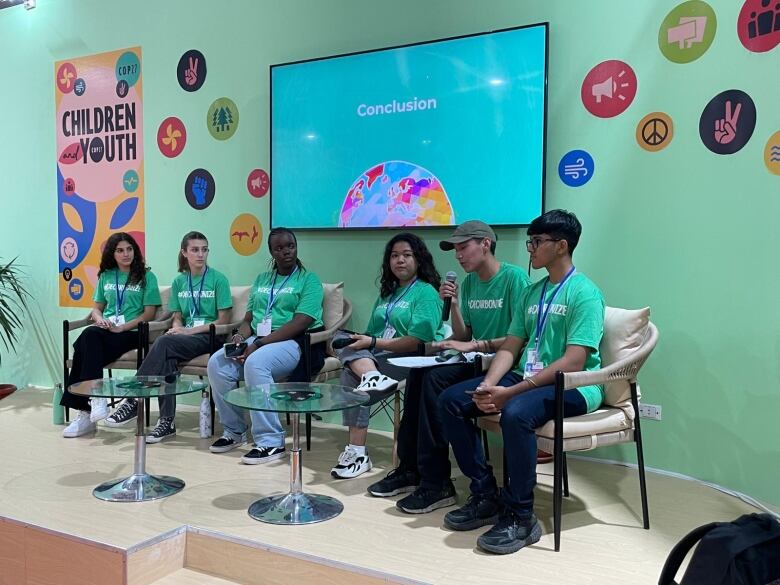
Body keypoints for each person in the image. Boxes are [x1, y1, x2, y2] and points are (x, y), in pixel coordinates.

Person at [438, 209, 605, 555]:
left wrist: (510, 392)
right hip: (529, 377)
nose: (529, 248)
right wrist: (490, 385)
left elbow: (574, 360)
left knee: (515, 412)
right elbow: (512, 345)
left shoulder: (585, 293)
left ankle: (521, 516)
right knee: (452, 401)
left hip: (574, 385)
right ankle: (484, 494)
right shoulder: (534, 293)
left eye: (537, 241)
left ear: (561, 246)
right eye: (530, 241)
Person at [366, 221, 531, 516]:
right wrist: (453, 305)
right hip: (475, 359)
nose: (458, 255)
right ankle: (411, 468)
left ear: (485, 244)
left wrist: (478, 346)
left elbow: (523, 336)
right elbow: (464, 334)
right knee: (420, 374)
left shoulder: (514, 279)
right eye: (455, 249)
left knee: (435, 383)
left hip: (505, 363)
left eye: (463, 247)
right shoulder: (468, 284)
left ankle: (437, 481)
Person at [206, 227, 326, 464]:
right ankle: (235, 431)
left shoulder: (309, 279)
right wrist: (240, 338)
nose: (286, 252)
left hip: (295, 341)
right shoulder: (262, 280)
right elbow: (249, 320)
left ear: (296, 246)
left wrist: (259, 344)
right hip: (259, 339)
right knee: (217, 363)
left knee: (256, 362)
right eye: (279, 248)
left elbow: (302, 321)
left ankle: (271, 441)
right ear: (271, 252)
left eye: (290, 246)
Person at [330, 233, 444, 480]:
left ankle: (358, 451)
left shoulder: (426, 293)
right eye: (394, 256)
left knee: (350, 377)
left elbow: (418, 340)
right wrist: (362, 340)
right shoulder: (387, 294)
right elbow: (371, 333)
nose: (399, 260)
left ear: (419, 259)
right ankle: (371, 376)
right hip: (377, 356)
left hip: (408, 358)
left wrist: (371, 342)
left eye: (406, 255)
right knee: (341, 337)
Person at [104, 231, 232, 443]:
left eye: (204, 249)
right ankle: (166, 422)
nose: (200, 254)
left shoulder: (218, 279)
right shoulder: (180, 281)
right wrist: (177, 327)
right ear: (184, 253)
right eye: (195, 250)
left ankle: (133, 397)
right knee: (167, 358)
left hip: (210, 337)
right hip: (184, 339)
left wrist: (187, 331)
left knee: (164, 343)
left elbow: (223, 320)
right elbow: (177, 316)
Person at [61, 232, 161, 438]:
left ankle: (88, 408)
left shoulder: (146, 276)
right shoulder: (106, 275)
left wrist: (121, 328)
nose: (126, 254)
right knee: (88, 340)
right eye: (120, 250)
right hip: (105, 331)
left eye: (129, 249)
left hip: (132, 332)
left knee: (83, 343)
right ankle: (92, 404)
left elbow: (149, 313)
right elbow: (96, 308)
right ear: (112, 254)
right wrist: (99, 319)